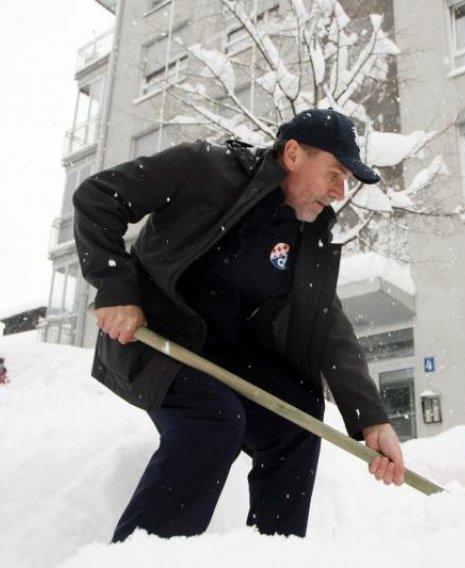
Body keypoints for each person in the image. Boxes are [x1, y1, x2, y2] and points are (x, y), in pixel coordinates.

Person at [73, 108, 406, 542]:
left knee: (299, 420)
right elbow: (99, 197)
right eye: (335, 173)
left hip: (222, 358)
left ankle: (271, 552)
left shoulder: (308, 235)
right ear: (292, 154)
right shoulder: (206, 169)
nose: (339, 191)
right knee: (215, 418)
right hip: (152, 339)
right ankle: (142, 555)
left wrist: (371, 420)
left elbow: (327, 324)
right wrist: (117, 290)